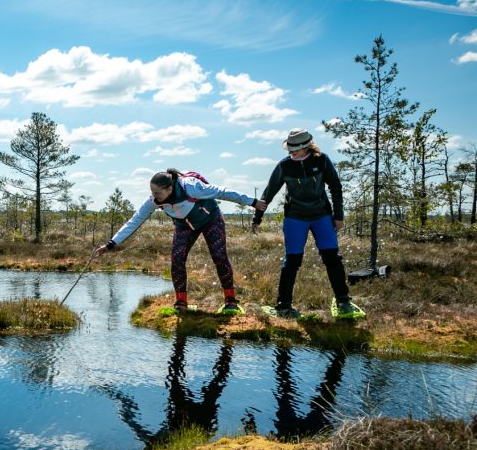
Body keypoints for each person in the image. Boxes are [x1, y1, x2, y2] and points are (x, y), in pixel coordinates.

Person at [95, 169, 266, 314]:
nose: (154, 196)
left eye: (157, 193)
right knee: (177, 259)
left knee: (219, 256)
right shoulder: (153, 201)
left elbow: (222, 192)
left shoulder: (191, 187)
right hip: (185, 226)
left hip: (211, 220)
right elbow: (134, 221)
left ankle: (230, 302)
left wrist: (252, 202)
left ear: (169, 188)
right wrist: (110, 244)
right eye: (152, 192)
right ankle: (181, 303)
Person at [251, 128, 364, 318]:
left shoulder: (322, 160)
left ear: (306, 147)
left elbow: (335, 187)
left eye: (295, 149)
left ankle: (344, 302)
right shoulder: (284, 166)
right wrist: (257, 217)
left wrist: (338, 216)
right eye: (289, 149)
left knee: (332, 258)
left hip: (322, 216)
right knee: (292, 261)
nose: (291, 152)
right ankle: (283, 306)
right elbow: (269, 192)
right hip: (295, 217)